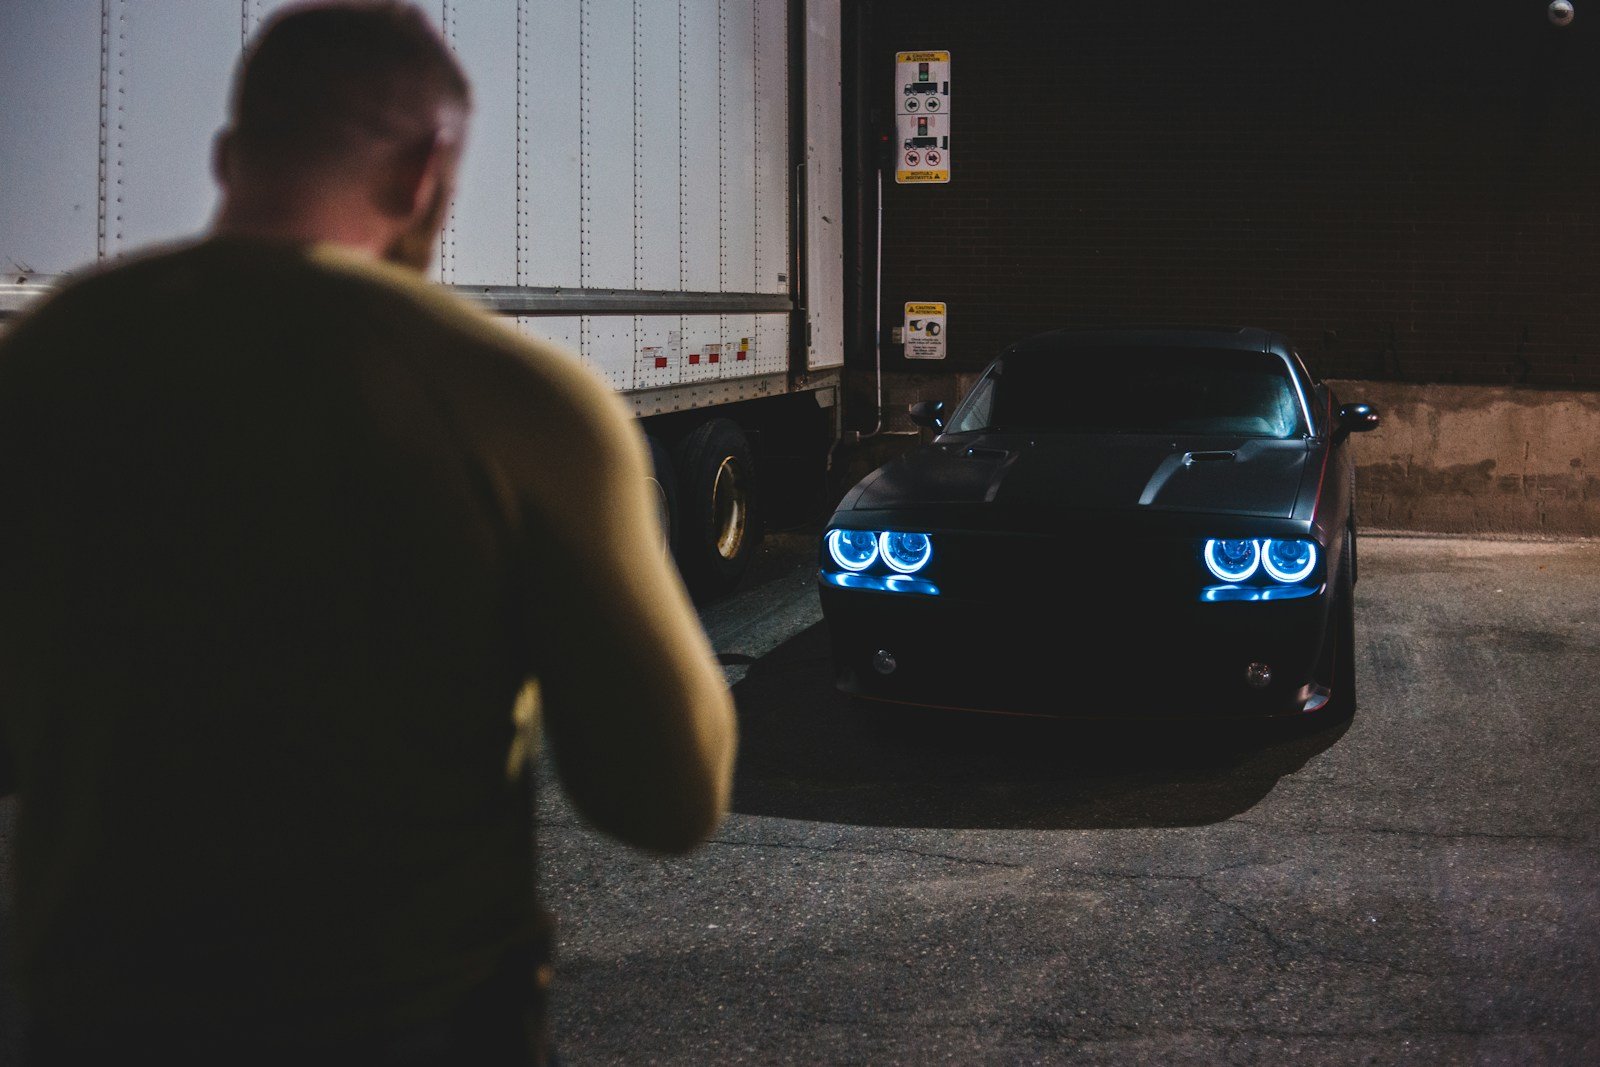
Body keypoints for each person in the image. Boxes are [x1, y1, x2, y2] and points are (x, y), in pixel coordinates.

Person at [0, 2, 736, 1063]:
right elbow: (666, 795)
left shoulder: (46, 360)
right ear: (426, 171)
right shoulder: (518, 401)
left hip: (95, 1020)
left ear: (228, 156)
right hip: (409, 1021)